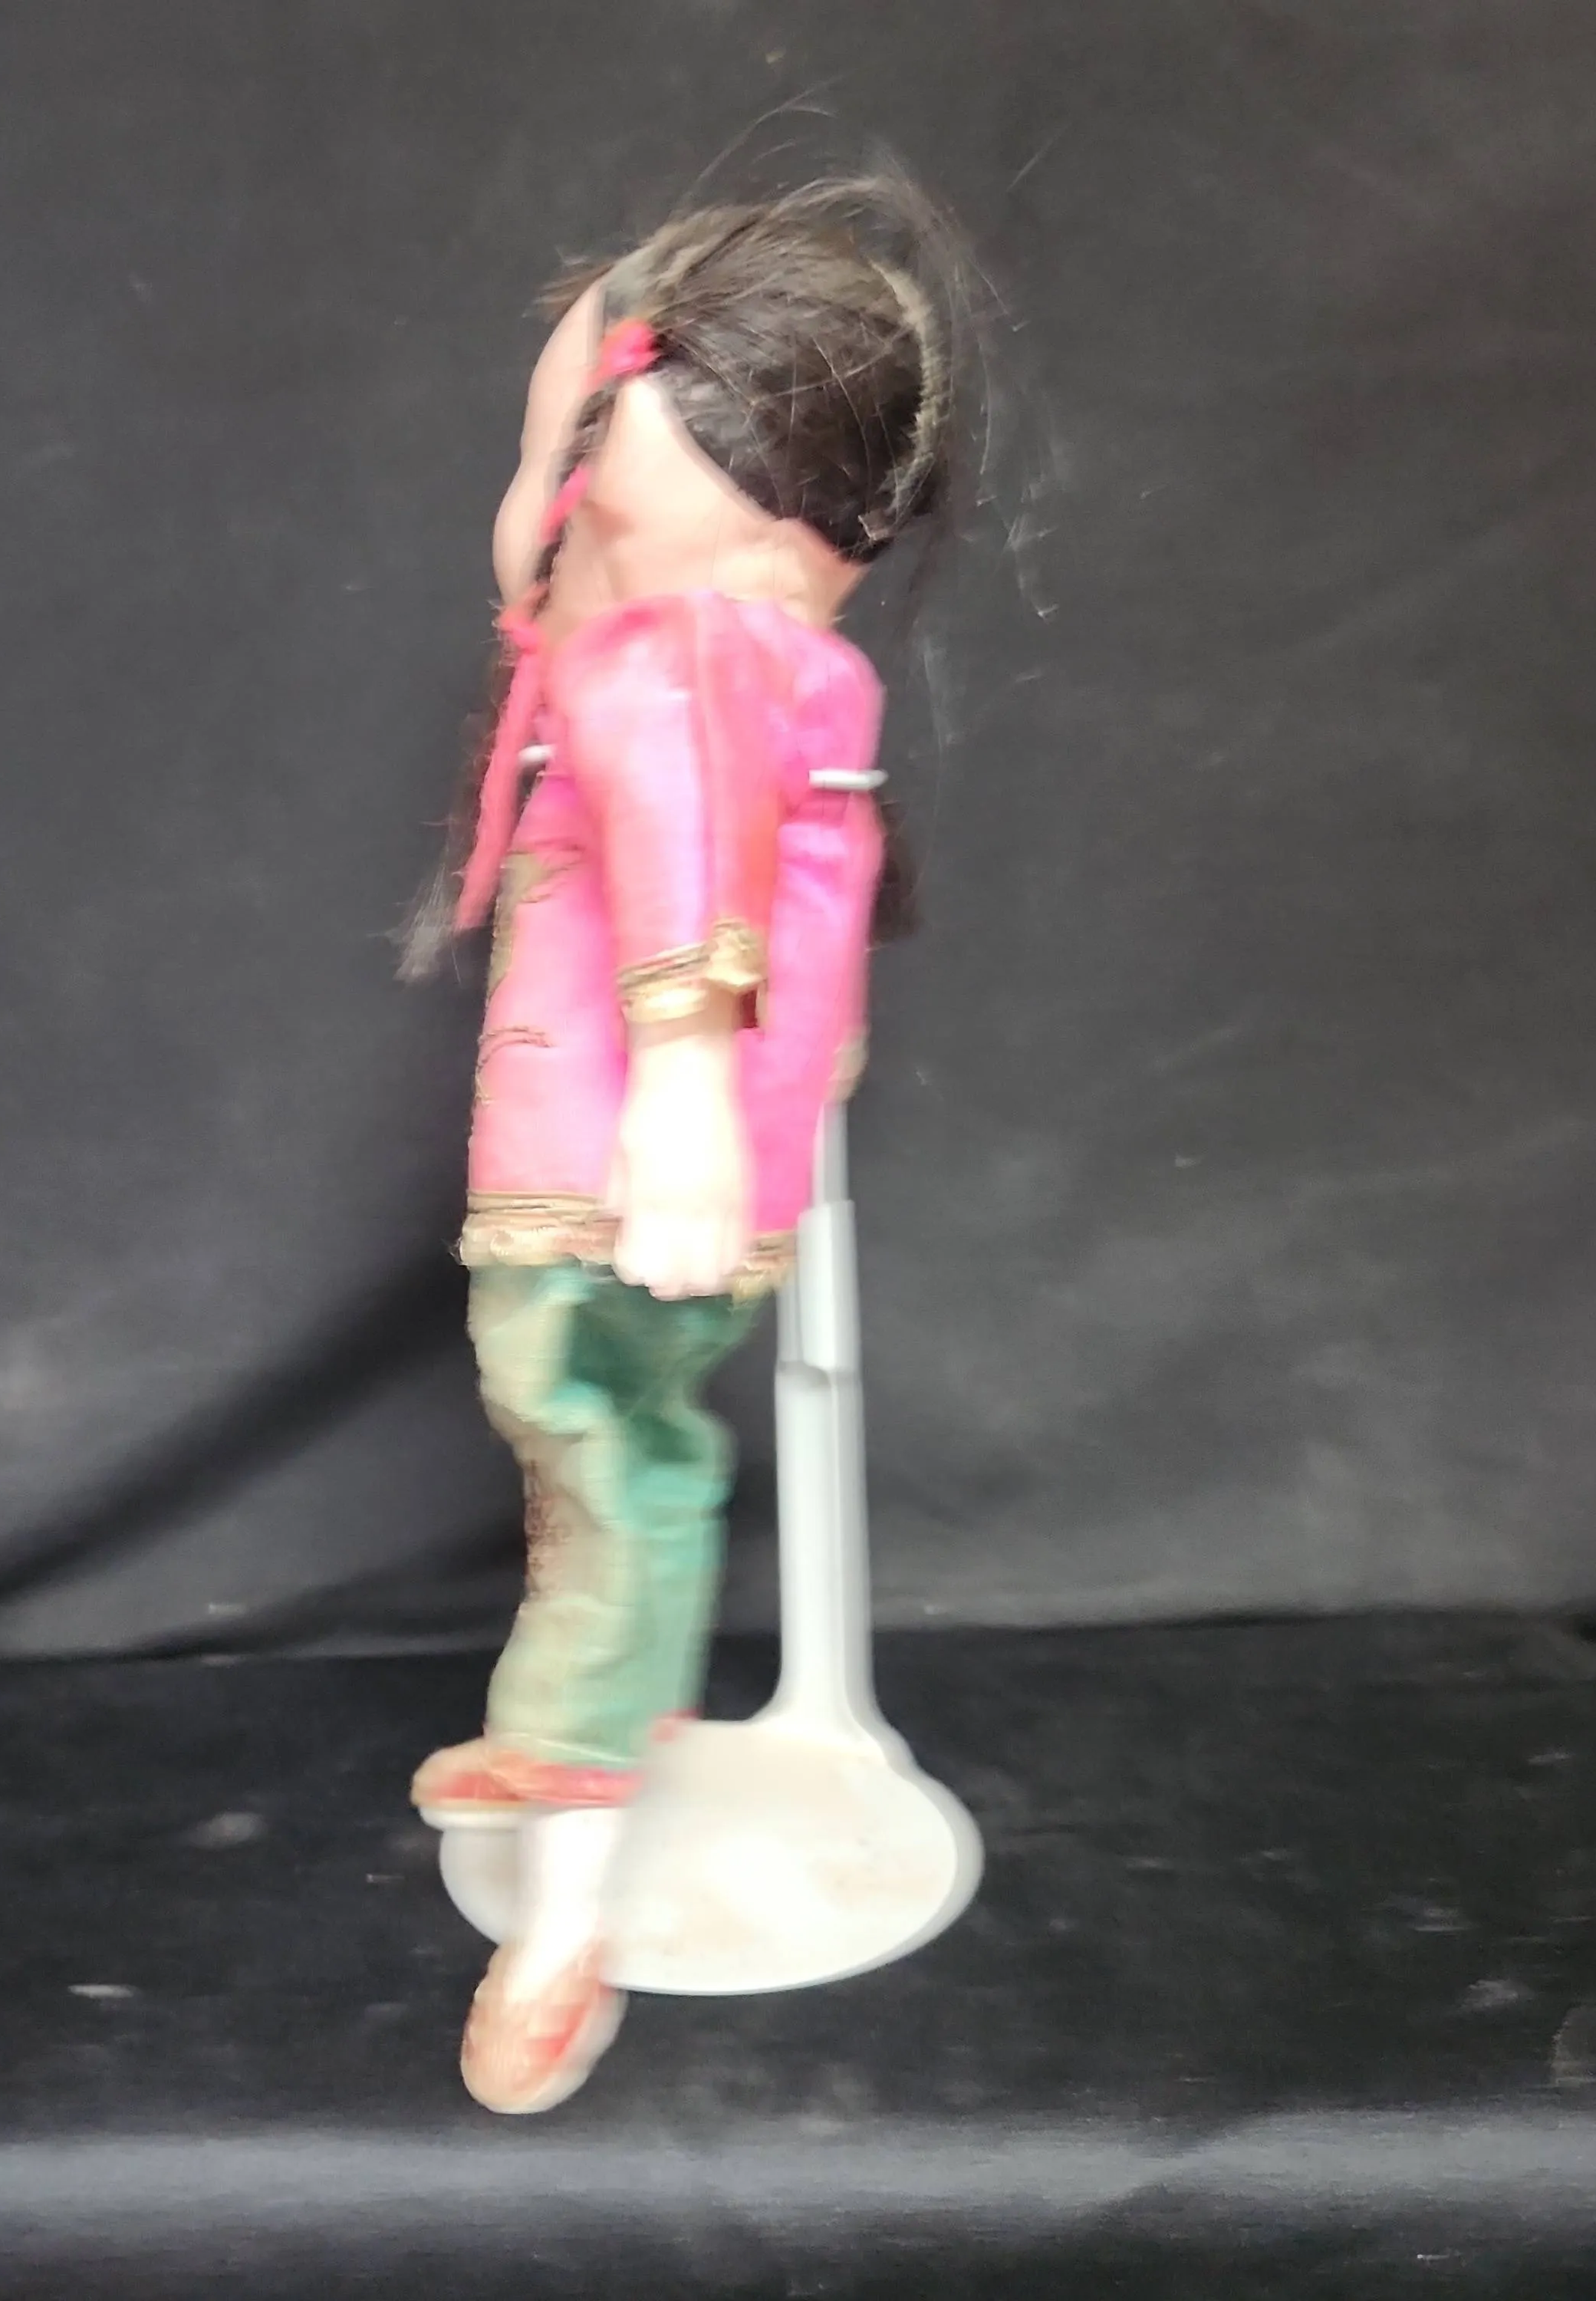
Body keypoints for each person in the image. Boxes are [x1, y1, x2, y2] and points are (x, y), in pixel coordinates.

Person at [401, 177, 970, 2114]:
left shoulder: (684, 663)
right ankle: (583, 1749)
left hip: (627, 1165)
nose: (531, 508)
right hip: (623, 1147)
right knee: (599, 1434)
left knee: (595, 1427)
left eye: (564, 465)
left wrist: (683, 1099)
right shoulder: (753, 661)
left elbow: (688, 852)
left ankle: (569, 1814)